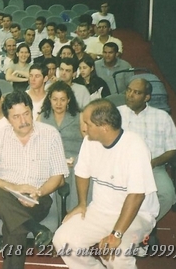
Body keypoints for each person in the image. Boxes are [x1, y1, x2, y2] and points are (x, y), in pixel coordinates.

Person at [53, 99, 158, 269]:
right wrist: (82, 203)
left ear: (104, 127)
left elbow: (137, 195)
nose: (84, 128)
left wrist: (116, 234)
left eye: (87, 123)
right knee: (63, 240)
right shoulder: (90, 141)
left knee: (114, 255)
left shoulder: (135, 146)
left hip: (137, 215)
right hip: (100, 210)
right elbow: (82, 173)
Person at [0, 91, 68, 269]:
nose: (23, 120)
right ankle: (33, 226)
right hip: (4, 197)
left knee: (14, 225)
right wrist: (14, 187)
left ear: (32, 111)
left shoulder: (50, 135)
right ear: (8, 119)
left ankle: (29, 224)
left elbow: (58, 176)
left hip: (38, 199)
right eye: (16, 117)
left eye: (26, 114)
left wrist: (37, 192)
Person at [118, 78, 176, 225]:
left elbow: (173, 148)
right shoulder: (116, 114)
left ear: (146, 97)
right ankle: (126, 224)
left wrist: (154, 162)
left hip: (153, 168)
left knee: (167, 195)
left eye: (136, 92)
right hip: (122, 168)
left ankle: (144, 225)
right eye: (129, 90)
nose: (130, 95)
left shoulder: (162, 116)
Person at [39, 81, 82, 209]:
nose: (58, 104)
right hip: (49, 164)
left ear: (68, 100)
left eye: (62, 99)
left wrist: (78, 159)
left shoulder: (79, 117)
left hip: (74, 164)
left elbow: (89, 144)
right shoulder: (41, 118)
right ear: (49, 100)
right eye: (55, 99)